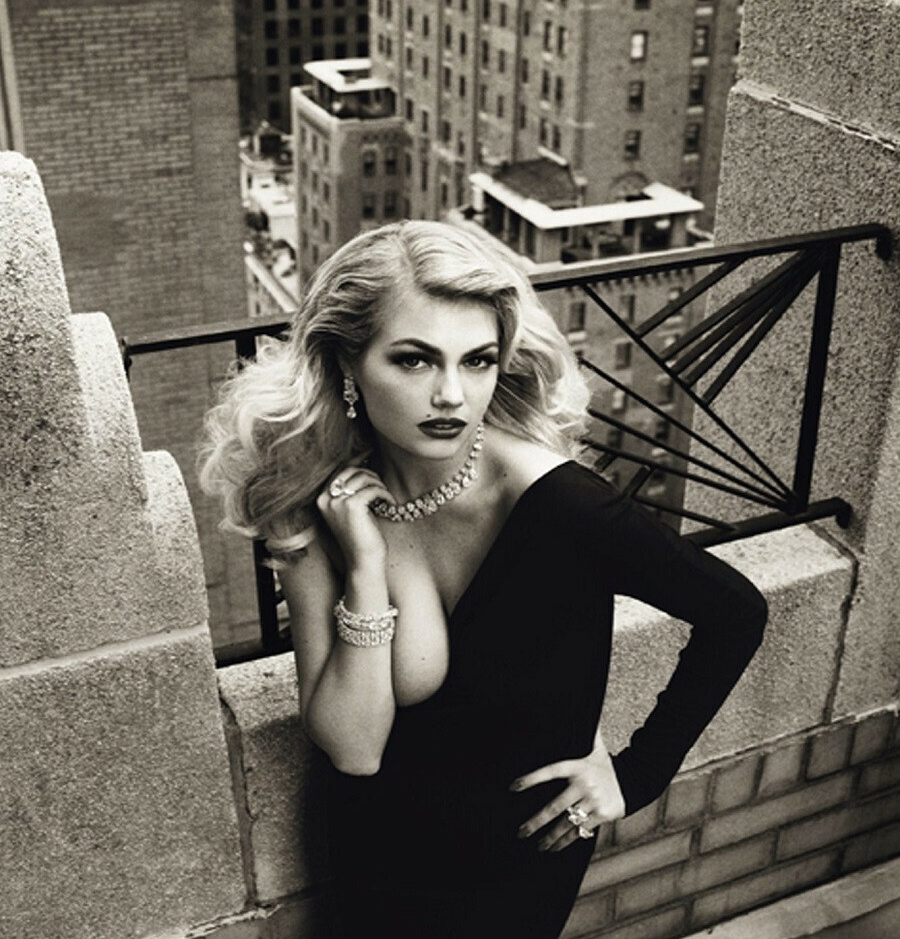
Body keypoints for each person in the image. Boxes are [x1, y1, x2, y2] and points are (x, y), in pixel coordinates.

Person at [199, 220, 768, 939]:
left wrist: (637, 773)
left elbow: (734, 610)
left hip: (519, 863)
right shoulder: (318, 496)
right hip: (377, 850)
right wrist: (365, 567)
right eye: (414, 360)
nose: (451, 395)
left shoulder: (559, 503)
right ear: (347, 363)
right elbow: (354, 748)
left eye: (477, 361)